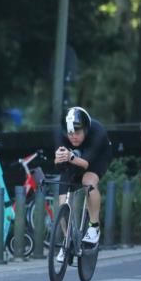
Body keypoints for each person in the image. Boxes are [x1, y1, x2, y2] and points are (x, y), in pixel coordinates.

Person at [54, 106, 111, 258]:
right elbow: (59, 165)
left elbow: (86, 164)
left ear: (86, 129)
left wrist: (71, 157)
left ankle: (94, 227)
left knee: (88, 181)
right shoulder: (62, 134)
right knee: (61, 201)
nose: (73, 137)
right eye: (70, 133)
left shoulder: (97, 132)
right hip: (72, 159)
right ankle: (68, 241)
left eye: (77, 133)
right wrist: (58, 159)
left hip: (96, 158)